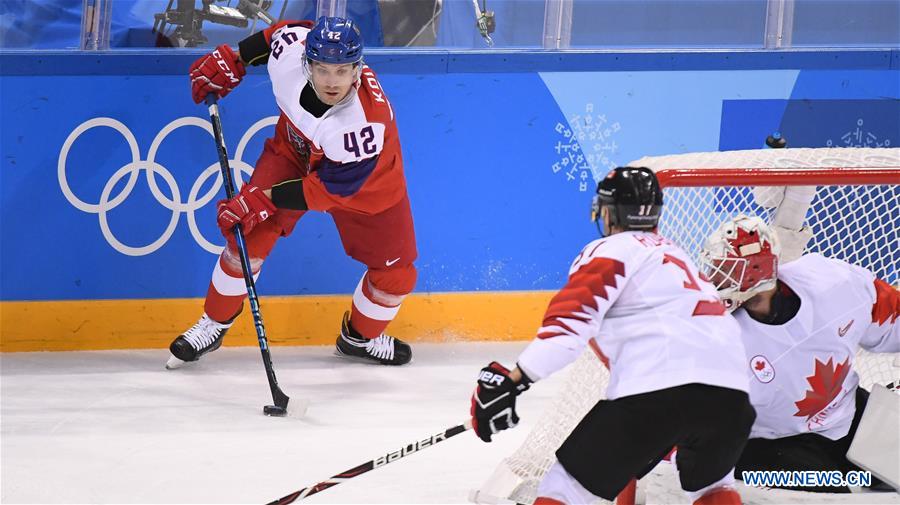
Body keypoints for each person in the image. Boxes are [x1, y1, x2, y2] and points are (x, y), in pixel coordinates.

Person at [470, 167, 755, 505]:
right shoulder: (679, 257)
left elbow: (569, 325)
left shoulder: (610, 250)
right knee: (713, 487)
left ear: (609, 212)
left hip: (657, 392)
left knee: (563, 488)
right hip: (732, 399)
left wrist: (515, 380)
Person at [166, 16, 416, 369]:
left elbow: (327, 190)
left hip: (368, 186)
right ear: (306, 62)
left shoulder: (363, 125)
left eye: (342, 71)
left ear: (357, 70)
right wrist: (235, 58)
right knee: (247, 235)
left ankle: (359, 339)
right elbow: (287, 29)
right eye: (323, 69)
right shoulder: (289, 55)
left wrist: (262, 198)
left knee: (396, 275)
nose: (332, 81)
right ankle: (214, 322)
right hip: (294, 151)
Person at [700, 215, 900, 492]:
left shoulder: (832, 282)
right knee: (832, 495)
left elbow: (892, 314)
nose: (714, 278)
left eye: (725, 269)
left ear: (756, 271)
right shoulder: (713, 335)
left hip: (846, 417)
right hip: (767, 447)